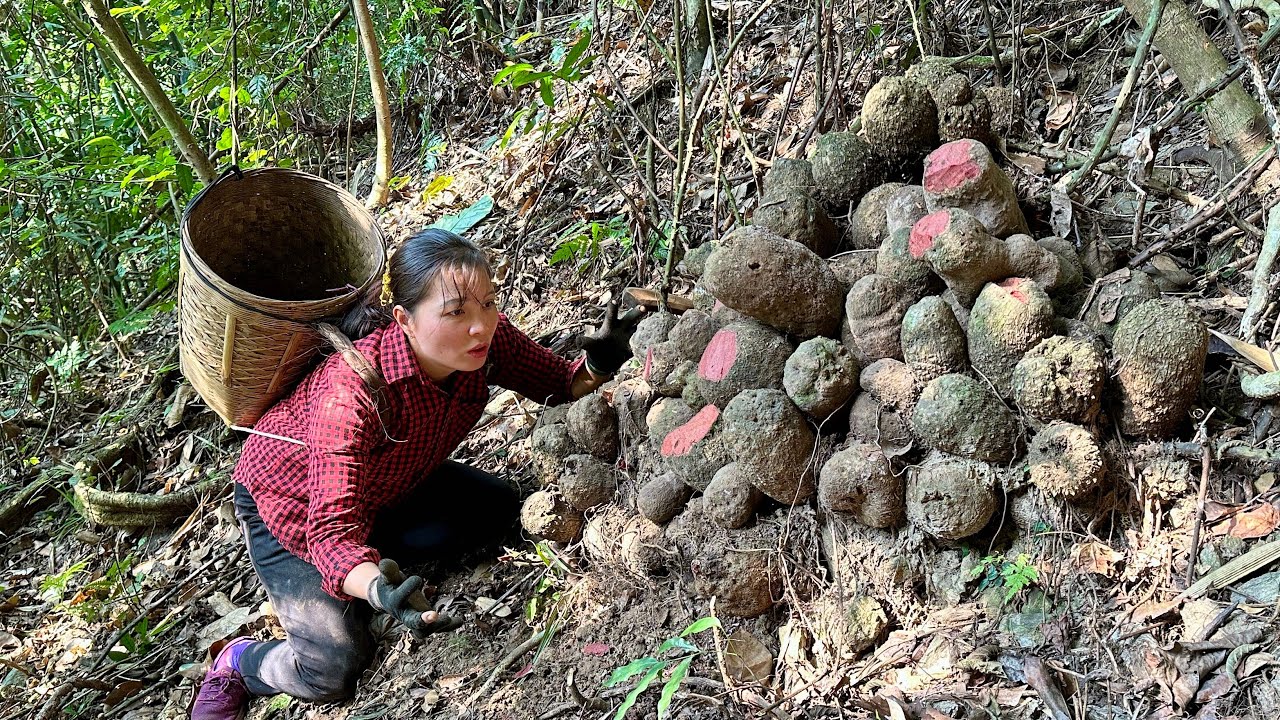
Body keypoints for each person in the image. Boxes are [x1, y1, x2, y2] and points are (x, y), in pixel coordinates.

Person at [191, 228, 642, 719]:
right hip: (290, 506)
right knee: (333, 668)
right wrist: (378, 588)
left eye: (488, 303)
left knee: (501, 511)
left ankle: (370, 569)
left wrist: (599, 362)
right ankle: (241, 662)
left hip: (391, 484)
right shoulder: (350, 393)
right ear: (404, 319)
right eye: (455, 312)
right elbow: (329, 532)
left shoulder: (485, 342)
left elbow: (557, 384)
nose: (480, 326)